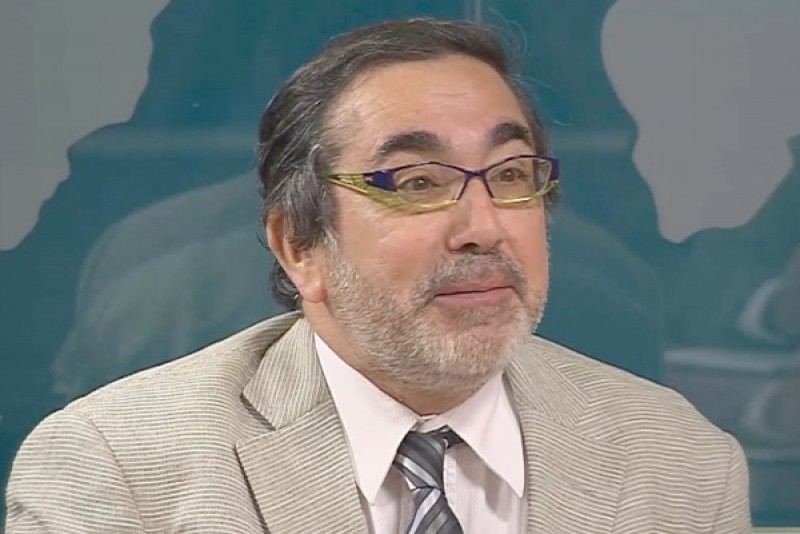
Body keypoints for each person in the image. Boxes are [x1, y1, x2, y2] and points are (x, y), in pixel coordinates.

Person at [5, 18, 750, 533]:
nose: (485, 227)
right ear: (299, 245)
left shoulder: (680, 461)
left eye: (510, 174)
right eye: (418, 182)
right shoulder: (115, 470)